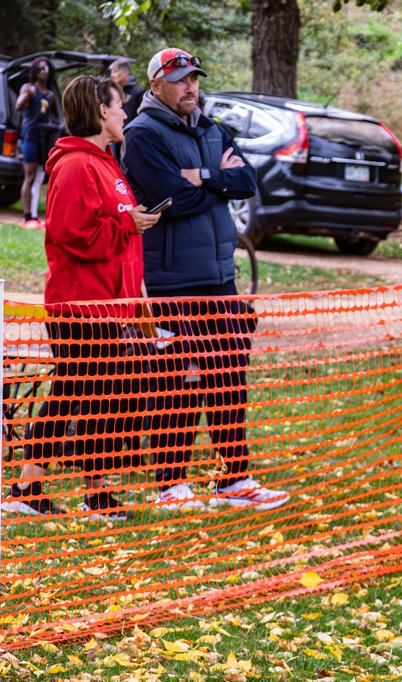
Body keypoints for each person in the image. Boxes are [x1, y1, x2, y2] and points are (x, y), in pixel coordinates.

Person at [121, 47, 289, 511]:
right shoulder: (141, 134)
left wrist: (201, 175)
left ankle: (233, 479)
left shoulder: (211, 128)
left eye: (194, 78)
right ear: (156, 85)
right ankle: (171, 484)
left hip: (220, 279)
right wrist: (213, 181)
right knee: (179, 379)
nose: (190, 87)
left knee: (229, 374)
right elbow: (172, 200)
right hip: (173, 281)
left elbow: (248, 182)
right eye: (179, 80)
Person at [1, 74, 161, 519]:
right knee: (84, 396)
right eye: (119, 104)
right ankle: (45, 490)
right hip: (80, 307)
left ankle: (72, 491)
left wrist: (134, 285)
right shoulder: (74, 165)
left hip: (111, 306)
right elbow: (72, 235)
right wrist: (127, 226)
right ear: (100, 111)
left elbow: (113, 224)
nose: (126, 112)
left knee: (92, 397)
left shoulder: (106, 161)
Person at [15, 57, 61, 229]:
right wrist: (28, 94)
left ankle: (35, 215)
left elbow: (49, 116)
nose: (44, 72)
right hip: (30, 135)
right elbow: (18, 106)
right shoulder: (28, 88)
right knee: (30, 175)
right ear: (35, 71)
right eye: (41, 69)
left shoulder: (49, 94)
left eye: (47, 69)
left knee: (41, 176)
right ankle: (27, 216)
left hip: (44, 137)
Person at [109, 57, 144, 121]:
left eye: (115, 71)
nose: (112, 75)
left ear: (126, 72)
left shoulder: (137, 92)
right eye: (112, 72)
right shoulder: (112, 90)